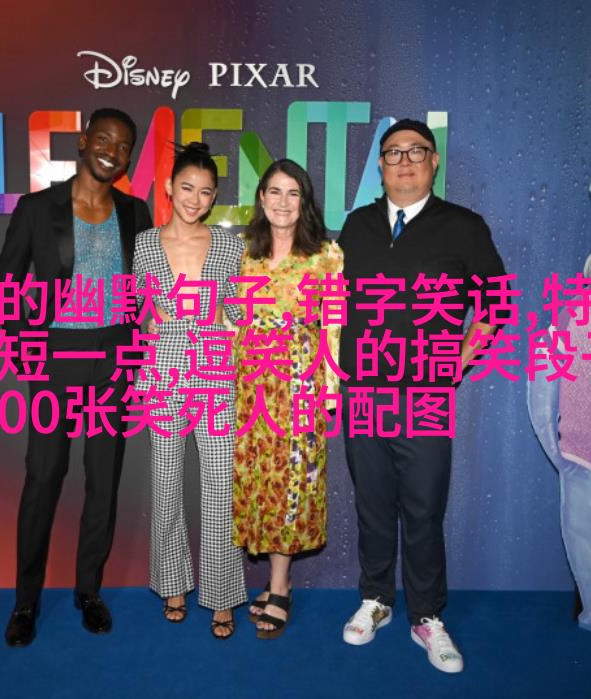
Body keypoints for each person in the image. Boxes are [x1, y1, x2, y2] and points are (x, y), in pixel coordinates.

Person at [337, 119, 505, 673]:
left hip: (425, 396)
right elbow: (332, 303)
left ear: (434, 161)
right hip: (362, 391)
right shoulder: (356, 226)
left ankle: (427, 615)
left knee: (424, 509)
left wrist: (459, 360)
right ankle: (376, 599)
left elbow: (496, 304)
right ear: (380, 166)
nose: (404, 161)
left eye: (416, 152)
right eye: (393, 153)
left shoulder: (463, 226)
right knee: (372, 503)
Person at [0, 108, 152, 647]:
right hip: (55, 357)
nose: (113, 151)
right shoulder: (38, 208)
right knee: (44, 477)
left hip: (113, 359)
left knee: (103, 480)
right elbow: (7, 282)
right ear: (84, 141)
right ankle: (25, 602)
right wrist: (25, 351)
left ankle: (89, 591)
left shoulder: (135, 212)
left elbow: (144, 285)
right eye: (104, 139)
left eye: (124, 146)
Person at [133, 142, 247, 639]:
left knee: (221, 485)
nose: (194, 199)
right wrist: (147, 322)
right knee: (166, 482)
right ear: (168, 188)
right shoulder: (144, 244)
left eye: (204, 192)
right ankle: (172, 583)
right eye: (186, 188)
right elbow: (134, 304)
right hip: (162, 370)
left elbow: (241, 310)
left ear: (214, 196)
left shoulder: (229, 246)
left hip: (216, 370)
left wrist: (232, 322)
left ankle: (221, 594)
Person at [231, 159, 343, 639]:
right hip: (251, 386)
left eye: (293, 193)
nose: (282, 202)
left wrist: (329, 390)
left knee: (291, 481)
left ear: (305, 201)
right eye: (274, 191)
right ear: (261, 198)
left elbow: (333, 324)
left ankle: (280, 585)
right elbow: (233, 318)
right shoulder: (245, 253)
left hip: (299, 385)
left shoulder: (325, 255)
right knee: (260, 478)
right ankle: (276, 580)